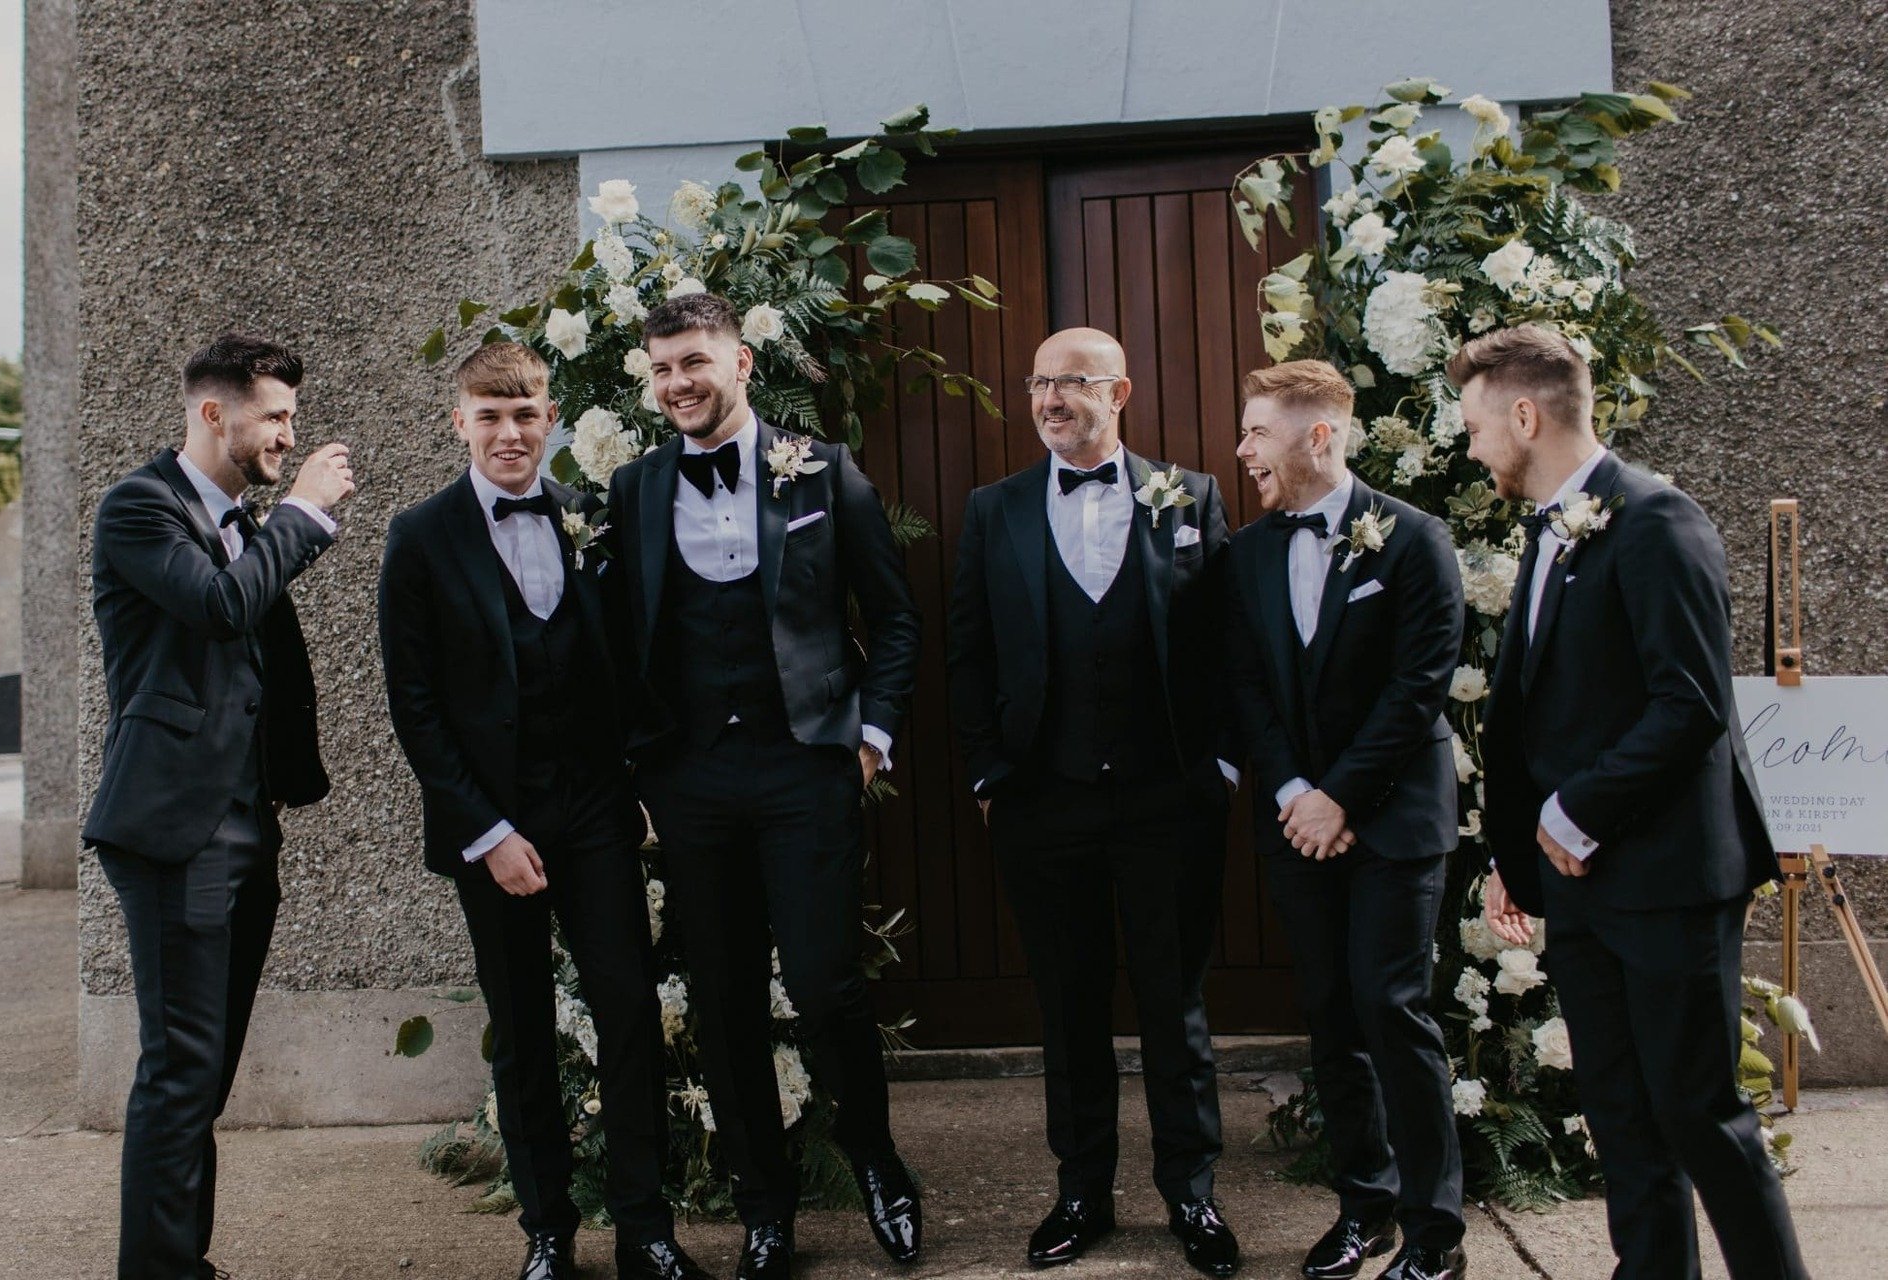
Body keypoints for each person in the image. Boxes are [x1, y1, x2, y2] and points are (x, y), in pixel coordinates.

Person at [1460, 324, 1807, 1280]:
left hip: (1666, 879)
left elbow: (1690, 702)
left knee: (1701, 1114)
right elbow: (1548, 711)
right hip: (1582, 887)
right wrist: (1519, 854)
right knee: (1619, 1113)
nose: (1474, 446)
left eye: (1479, 425)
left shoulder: (1657, 519)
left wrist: (1574, 813)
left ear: (1526, 415)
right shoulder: (1554, 527)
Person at [598, 293, 924, 1280]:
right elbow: (617, 641)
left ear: (740, 361)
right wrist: (641, 769)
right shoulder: (636, 486)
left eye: (694, 361)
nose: (678, 383)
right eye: (661, 369)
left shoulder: (824, 470)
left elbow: (895, 619)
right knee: (725, 997)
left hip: (803, 767)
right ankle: (765, 1207)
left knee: (827, 986)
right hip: (692, 779)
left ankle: (878, 1166)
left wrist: (868, 739)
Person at [377, 342, 707, 1280]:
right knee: (522, 1033)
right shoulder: (420, 536)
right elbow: (417, 704)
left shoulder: (588, 519)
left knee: (631, 1015)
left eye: (525, 416)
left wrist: (644, 785)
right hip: (494, 828)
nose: (509, 433)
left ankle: (646, 1228)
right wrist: (488, 832)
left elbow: (638, 661)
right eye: (489, 416)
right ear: (461, 424)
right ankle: (548, 1231)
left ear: (550, 419)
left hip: (596, 812)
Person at [946, 327, 1240, 1277]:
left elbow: (1230, 642)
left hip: (1169, 798)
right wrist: (991, 771)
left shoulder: (1189, 496)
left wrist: (1222, 766)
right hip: (1044, 800)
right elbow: (968, 653)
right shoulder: (993, 510)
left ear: (1120, 391)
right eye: (1038, 383)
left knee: (1173, 1004)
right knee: (1067, 1005)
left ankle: (1191, 1196)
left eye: (1071, 382)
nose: (1050, 399)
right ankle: (1082, 1194)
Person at [85, 333, 351, 1279]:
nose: (287, 433)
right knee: (178, 1069)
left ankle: (178, 1260)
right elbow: (221, 607)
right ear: (213, 413)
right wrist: (306, 517)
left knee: (205, 1074)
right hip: (173, 830)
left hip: (246, 830)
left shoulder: (241, 521)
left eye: (289, 417)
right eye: (273, 415)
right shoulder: (140, 509)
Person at [1222, 361, 1467, 1280]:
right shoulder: (1247, 553)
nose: (1243, 451)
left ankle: (1437, 1234)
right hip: (1299, 826)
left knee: (1392, 1010)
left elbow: (1418, 688)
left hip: (1394, 821)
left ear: (1317, 435)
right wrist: (1293, 794)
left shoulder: (1414, 540)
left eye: (1257, 431)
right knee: (1329, 1020)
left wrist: (1342, 798)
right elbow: (1246, 687)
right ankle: (1365, 1211)